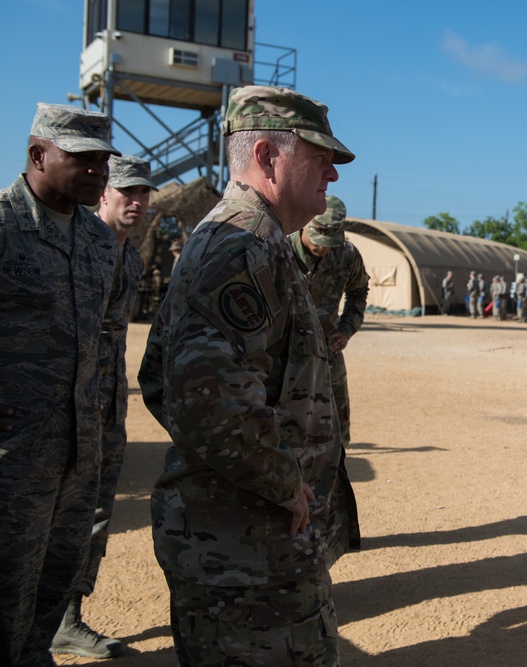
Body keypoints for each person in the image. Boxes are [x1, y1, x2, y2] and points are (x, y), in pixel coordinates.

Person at [137, 85, 355, 666]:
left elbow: (162, 376)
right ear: (266, 156)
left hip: (248, 537)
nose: (332, 175)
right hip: (245, 548)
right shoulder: (241, 246)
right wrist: (283, 480)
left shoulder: (251, 239)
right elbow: (210, 404)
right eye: (320, 157)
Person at [0, 103, 123, 667]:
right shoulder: (4, 226)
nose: (99, 171)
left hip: (79, 451)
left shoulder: (100, 244)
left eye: (104, 159)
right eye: (83, 158)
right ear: (38, 155)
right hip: (13, 457)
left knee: (56, 574)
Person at [50, 155, 156, 659]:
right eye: (128, 192)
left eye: (145, 194)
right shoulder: (67, 243)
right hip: (53, 404)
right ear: (105, 193)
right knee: (39, 511)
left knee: (92, 513)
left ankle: (67, 617)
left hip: (107, 406)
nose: (137, 202)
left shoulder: (131, 258)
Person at [290, 194, 367, 561]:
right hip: (288, 364)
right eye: (317, 239)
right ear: (305, 225)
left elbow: (359, 291)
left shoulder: (346, 255)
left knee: (337, 440)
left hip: (328, 360)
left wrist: (347, 328)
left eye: (329, 242)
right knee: (290, 439)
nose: (321, 250)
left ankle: (329, 527)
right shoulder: (277, 248)